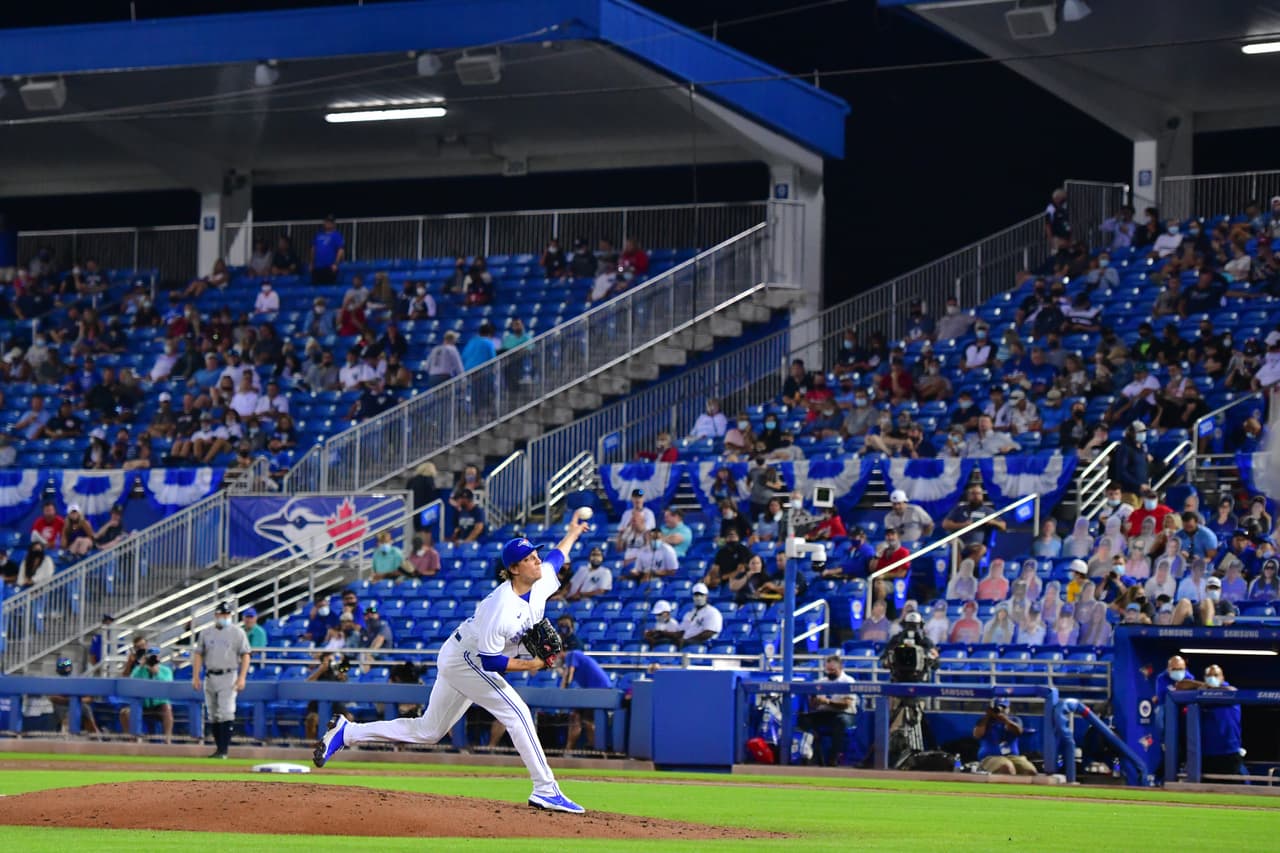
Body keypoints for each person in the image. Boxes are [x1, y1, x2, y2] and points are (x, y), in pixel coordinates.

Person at [314, 520, 592, 814]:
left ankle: (346, 733)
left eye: (535, 555)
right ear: (514, 569)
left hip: (459, 655)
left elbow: (556, 558)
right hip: (467, 658)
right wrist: (532, 663)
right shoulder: (501, 607)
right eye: (528, 559)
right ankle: (546, 789)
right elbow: (491, 661)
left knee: (428, 731)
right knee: (517, 712)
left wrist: (573, 531)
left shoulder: (539, 581)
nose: (536, 560)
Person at [191, 601, 252, 759]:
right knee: (212, 714)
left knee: (226, 712)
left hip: (228, 675)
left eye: (227, 615)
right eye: (222, 614)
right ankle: (218, 749)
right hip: (210, 675)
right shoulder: (206, 632)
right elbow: (198, 654)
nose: (224, 617)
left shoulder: (237, 632)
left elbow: (246, 654)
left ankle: (223, 750)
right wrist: (196, 676)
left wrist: (242, 677)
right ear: (216, 615)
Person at [1175, 664, 1244, 781]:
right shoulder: (1200, 693)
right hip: (1205, 754)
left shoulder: (1228, 691)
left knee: (1231, 793)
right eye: (1209, 675)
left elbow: (1232, 691)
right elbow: (1180, 685)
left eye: (1216, 675)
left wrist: (1208, 689)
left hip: (1228, 753)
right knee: (1205, 792)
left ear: (1222, 678)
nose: (1212, 678)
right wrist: (1205, 686)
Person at [797, 654, 857, 767]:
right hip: (825, 713)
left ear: (840, 668)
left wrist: (827, 702)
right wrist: (814, 700)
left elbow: (846, 704)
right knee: (804, 719)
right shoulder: (821, 681)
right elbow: (813, 706)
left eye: (833, 670)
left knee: (839, 721)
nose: (829, 673)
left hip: (845, 714)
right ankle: (812, 756)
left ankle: (833, 759)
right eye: (828, 670)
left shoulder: (848, 680)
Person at [558, 648, 611, 753]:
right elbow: (567, 675)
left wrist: (562, 692)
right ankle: (569, 751)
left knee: (588, 721)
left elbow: (569, 675)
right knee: (575, 717)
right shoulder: (572, 659)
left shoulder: (572, 654)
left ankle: (597, 751)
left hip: (599, 691)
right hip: (589, 692)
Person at [118, 647, 174, 743]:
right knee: (125, 713)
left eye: (154, 657)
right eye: (150, 657)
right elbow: (132, 682)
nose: (152, 659)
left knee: (167, 709)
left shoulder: (165, 670)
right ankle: (132, 739)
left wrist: (156, 673)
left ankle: (167, 740)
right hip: (142, 704)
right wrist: (142, 666)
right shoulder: (139, 670)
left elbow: (167, 685)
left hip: (159, 704)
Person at [974, 697, 1035, 776]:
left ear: (1008, 708)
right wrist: (988, 716)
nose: (1001, 710)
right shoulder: (984, 721)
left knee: (1030, 771)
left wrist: (1005, 720)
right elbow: (977, 735)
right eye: (998, 707)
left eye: (1004, 708)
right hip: (990, 756)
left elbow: (1018, 731)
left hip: (1012, 756)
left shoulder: (1014, 720)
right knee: (1007, 767)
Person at [677, 583, 723, 648]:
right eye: (696, 595)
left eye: (701, 595)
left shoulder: (712, 612)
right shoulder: (690, 613)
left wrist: (688, 640)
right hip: (686, 642)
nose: (698, 597)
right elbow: (681, 631)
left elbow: (709, 633)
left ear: (706, 596)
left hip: (702, 643)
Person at [310, 215, 346, 284]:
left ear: (333, 224)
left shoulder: (337, 235)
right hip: (317, 267)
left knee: (329, 286)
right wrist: (312, 263)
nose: (328, 223)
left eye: (330, 222)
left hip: (329, 267)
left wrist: (336, 264)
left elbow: (340, 250)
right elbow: (313, 249)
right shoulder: (318, 235)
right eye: (327, 222)